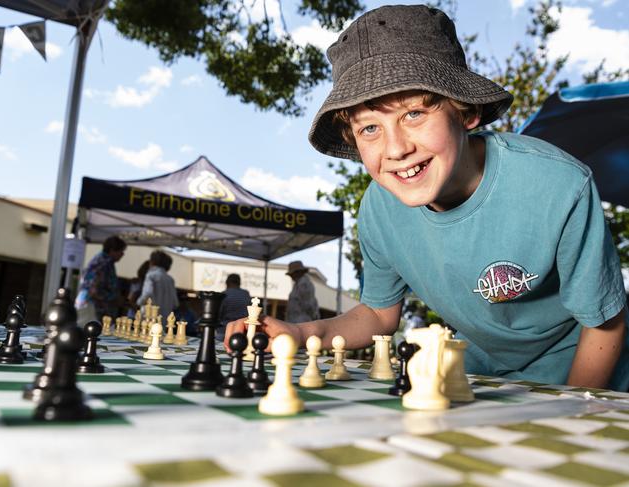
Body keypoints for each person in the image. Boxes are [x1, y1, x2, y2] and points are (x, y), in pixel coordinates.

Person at [226, 4, 629, 391]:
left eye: (414, 114)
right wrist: (298, 332)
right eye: (369, 128)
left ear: (465, 112)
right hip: (481, 376)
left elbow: (605, 323)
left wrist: (570, 413)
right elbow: (379, 315)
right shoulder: (378, 210)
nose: (396, 148)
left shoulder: (557, 184)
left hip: (587, 372)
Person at [75, 235, 127, 323]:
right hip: (94, 311)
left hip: (96, 309)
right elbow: (93, 290)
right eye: (121, 251)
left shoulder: (104, 262)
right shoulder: (102, 263)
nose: (123, 254)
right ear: (112, 250)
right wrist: (114, 298)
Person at [136, 250, 178, 323]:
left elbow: (147, 293)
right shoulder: (170, 279)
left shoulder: (151, 275)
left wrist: (139, 302)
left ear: (152, 262)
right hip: (165, 318)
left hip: (150, 316)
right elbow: (175, 303)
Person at [218, 273, 251, 340]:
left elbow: (219, 313)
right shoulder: (245, 293)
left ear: (227, 282)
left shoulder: (224, 294)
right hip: (242, 329)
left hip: (225, 330)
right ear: (239, 283)